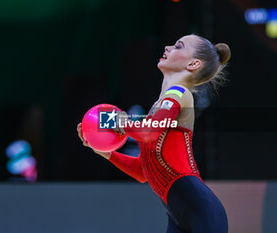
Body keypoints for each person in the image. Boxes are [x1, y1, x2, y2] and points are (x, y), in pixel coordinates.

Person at [77, 34, 230, 233]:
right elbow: (144, 171)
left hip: (202, 211)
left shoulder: (180, 94)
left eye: (178, 46)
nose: (167, 47)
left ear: (193, 63)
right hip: (177, 216)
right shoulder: (158, 108)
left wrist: (117, 121)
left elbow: (149, 131)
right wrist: (107, 153)